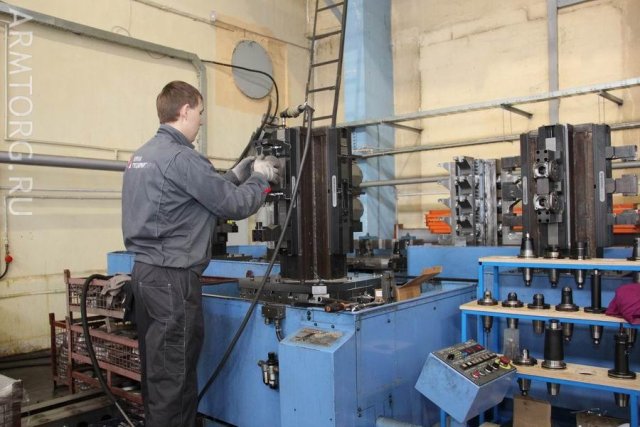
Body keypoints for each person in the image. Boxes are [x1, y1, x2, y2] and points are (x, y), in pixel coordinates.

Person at [121, 80, 280, 426]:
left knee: (158, 376)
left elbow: (189, 197)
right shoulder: (183, 158)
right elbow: (234, 205)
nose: (202, 120)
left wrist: (233, 175)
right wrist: (259, 179)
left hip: (145, 276)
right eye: (200, 112)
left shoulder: (141, 156)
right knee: (175, 380)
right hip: (173, 281)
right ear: (185, 111)